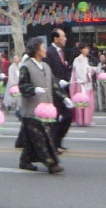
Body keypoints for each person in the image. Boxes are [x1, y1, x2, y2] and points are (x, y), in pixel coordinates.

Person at [19, 37, 71, 174]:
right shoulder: (26, 66)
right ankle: (51, 163)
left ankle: (25, 160)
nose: (45, 50)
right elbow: (22, 85)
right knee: (41, 138)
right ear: (36, 50)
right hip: (32, 110)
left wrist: (65, 98)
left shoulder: (46, 66)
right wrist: (33, 90)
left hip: (46, 109)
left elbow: (54, 85)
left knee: (35, 139)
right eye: (43, 47)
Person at [43, 28, 72, 152]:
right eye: (63, 36)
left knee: (68, 115)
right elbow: (47, 71)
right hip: (54, 91)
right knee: (55, 119)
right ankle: (53, 145)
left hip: (64, 90)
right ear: (55, 38)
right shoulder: (49, 52)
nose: (65, 38)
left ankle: (58, 140)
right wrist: (57, 81)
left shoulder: (62, 52)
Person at [70, 43, 95, 126]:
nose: (87, 50)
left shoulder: (85, 59)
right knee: (82, 100)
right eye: (85, 48)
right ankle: (81, 120)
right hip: (82, 83)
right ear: (81, 49)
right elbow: (79, 72)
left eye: (88, 48)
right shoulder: (79, 59)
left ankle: (86, 119)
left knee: (87, 100)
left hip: (87, 82)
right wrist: (83, 79)